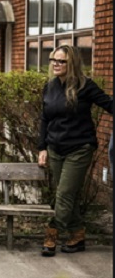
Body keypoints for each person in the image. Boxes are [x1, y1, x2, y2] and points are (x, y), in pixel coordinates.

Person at [38, 45, 112, 257]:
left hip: (79, 148)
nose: (56, 64)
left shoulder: (85, 86)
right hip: (55, 148)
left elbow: (109, 104)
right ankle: (77, 235)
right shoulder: (50, 86)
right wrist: (42, 147)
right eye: (54, 60)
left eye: (62, 61)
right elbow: (45, 119)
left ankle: (51, 233)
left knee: (64, 194)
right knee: (66, 196)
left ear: (72, 64)